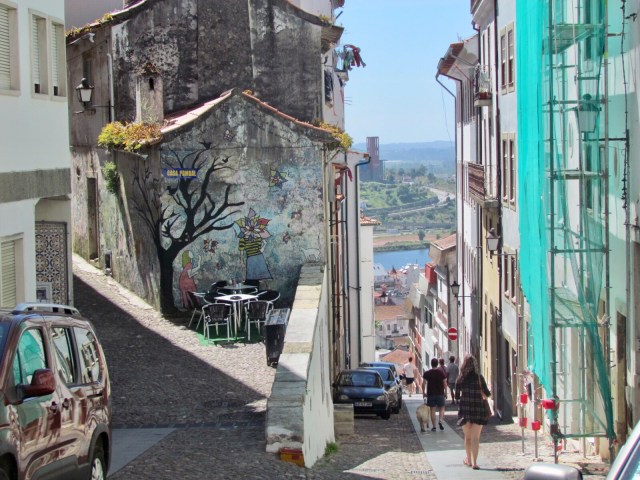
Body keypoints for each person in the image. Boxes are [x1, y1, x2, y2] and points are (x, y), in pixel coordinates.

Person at [455, 355, 491, 470]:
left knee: (468, 437)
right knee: (475, 438)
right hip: (478, 409)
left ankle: (469, 460)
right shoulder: (479, 378)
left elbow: (456, 396)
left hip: (465, 410)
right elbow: (487, 394)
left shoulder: (460, 378)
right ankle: (475, 462)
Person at [422, 358, 447, 431]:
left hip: (431, 394)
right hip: (440, 393)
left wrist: (423, 392)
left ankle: (434, 427)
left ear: (431, 364)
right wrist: (445, 392)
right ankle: (440, 420)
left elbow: (423, 383)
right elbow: (445, 383)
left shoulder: (427, 373)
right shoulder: (441, 373)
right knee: (442, 408)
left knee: (432, 410)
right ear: (437, 364)